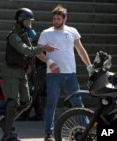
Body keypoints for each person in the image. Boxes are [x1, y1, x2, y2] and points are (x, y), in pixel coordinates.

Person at [0, 8, 58, 141]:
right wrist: (43, 48)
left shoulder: (25, 35)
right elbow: (25, 50)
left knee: (26, 102)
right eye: (27, 22)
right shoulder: (13, 36)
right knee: (13, 102)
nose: (29, 24)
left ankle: (5, 122)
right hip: (11, 72)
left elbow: (31, 52)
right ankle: (7, 135)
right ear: (20, 21)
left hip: (21, 72)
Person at [37, 5, 93, 141]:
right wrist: (49, 62)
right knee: (51, 104)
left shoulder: (72, 31)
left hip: (71, 75)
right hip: (53, 75)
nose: (55, 21)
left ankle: (86, 130)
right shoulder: (46, 32)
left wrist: (89, 66)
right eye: (54, 18)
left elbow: (80, 49)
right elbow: (38, 52)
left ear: (64, 19)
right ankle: (48, 134)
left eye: (58, 19)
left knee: (78, 103)